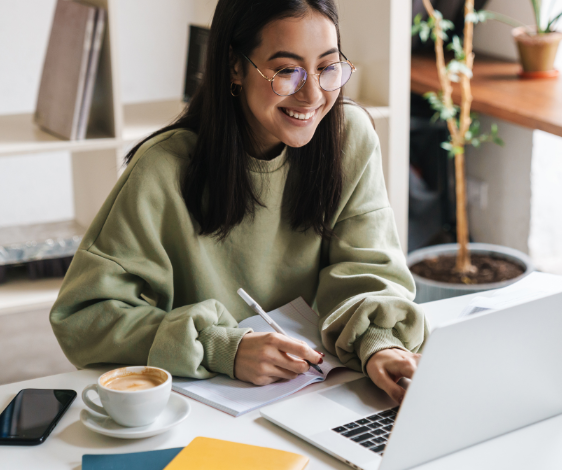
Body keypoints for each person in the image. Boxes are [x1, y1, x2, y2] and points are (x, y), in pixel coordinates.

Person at [50, 0, 428, 403]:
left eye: (327, 67)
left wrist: (380, 343)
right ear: (235, 66)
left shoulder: (349, 137)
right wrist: (220, 347)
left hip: (322, 387)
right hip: (205, 403)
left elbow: (369, 269)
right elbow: (84, 317)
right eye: (287, 71)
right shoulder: (163, 168)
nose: (313, 95)